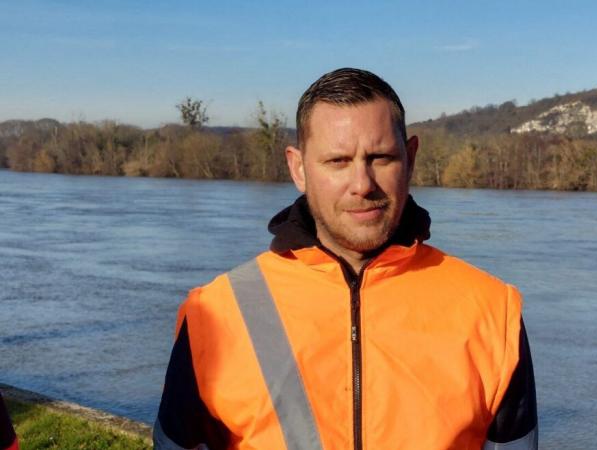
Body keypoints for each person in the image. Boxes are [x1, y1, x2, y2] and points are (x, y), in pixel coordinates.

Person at [154, 68, 537, 450]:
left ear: (411, 157)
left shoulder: (491, 311)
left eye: (381, 157)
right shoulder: (215, 312)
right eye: (337, 161)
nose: (362, 184)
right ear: (299, 168)